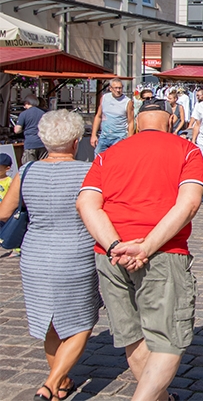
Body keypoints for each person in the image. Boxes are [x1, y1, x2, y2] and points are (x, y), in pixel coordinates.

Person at [76, 99, 203, 401]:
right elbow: (188, 204)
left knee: (131, 334)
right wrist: (145, 247)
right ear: (172, 120)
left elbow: (86, 203)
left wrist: (114, 245)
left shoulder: (107, 155)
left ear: (136, 123)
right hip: (162, 252)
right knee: (168, 338)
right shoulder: (187, 150)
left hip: (111, 255)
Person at [1, 110, 99, 400]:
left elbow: (5, 212)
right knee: (82, 321)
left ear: (43, 139)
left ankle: (62, 381)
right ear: (75, 141)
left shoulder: (27, 171)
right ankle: (51, 383)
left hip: (35, 255)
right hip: (76, 252)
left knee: (49, 321)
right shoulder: (88, 172)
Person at [90, 79, 134, 154]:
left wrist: (129, 139)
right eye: (115, 88)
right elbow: (98, 116)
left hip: (119, 136)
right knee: (98, 158)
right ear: (110, 88)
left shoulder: (127, 101)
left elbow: (131, 122)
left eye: (120, 88)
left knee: (115, 159)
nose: (118, 90)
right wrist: (93, 135)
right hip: (104, 136)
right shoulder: (104, 98)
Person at [15, 94, 47, 163]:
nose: (24, 106)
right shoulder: (44, 113)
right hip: (43, 143)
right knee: (43, 166)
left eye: (25, 104)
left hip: (30, 143)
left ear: (28, 103)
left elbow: (17, 130)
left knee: (29, 167)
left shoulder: (24, 114)